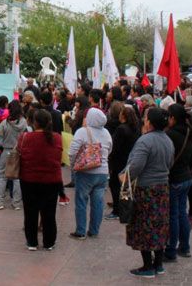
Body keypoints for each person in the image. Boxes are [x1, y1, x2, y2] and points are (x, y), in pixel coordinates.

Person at [120, 108, 173, 279]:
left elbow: (136, 165)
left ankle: (147, 266)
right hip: (162, 187)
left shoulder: (145, 141)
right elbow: (170, 162)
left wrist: (124, 177)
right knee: (159, 225)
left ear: (149, 122)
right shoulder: (167, 140)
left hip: (146, 189)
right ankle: (158, 264)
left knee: (144, 226)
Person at [17, 109, 62, 251]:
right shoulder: (57, 138)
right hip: (51, 180)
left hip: (29, 179)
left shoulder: (25, 137)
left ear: (34, 123)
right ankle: (49, 242)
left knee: (30, 212)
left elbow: (20, 153)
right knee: (49, 213)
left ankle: (32, 242)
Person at [68, 108, 113, 240]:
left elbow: (72, 152)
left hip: (85, 172)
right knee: (98, 202)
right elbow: (109, 149)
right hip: (103, 171)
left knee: (81, 201)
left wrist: (74, 165)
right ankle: (94, 230)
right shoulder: (107, 133)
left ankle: (81, 231)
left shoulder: (82, 132)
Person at [164, 104, 192, 262]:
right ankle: (185, 247)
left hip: (175, 178)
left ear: (173, 118)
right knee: (182, 212)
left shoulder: (170, 134)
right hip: (186, 177)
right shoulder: (190, 131)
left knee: (173, 215)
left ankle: (171, 250)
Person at [0, 101, 27, 210]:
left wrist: (2, 141)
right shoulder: (24, 122)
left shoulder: (5, 123)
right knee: (17, 178)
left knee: (2, 177)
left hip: (6, 151)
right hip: (19, 152)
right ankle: (16, 203)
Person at [106, 105, 140, 220]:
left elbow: (114, 147)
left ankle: (117, 210)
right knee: (125, 186)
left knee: (115, 184)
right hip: (129, 160)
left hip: (119, 161)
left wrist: (110, 158)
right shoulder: (135, 128)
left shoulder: (121, 129)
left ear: (124, 116)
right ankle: (124, 206)